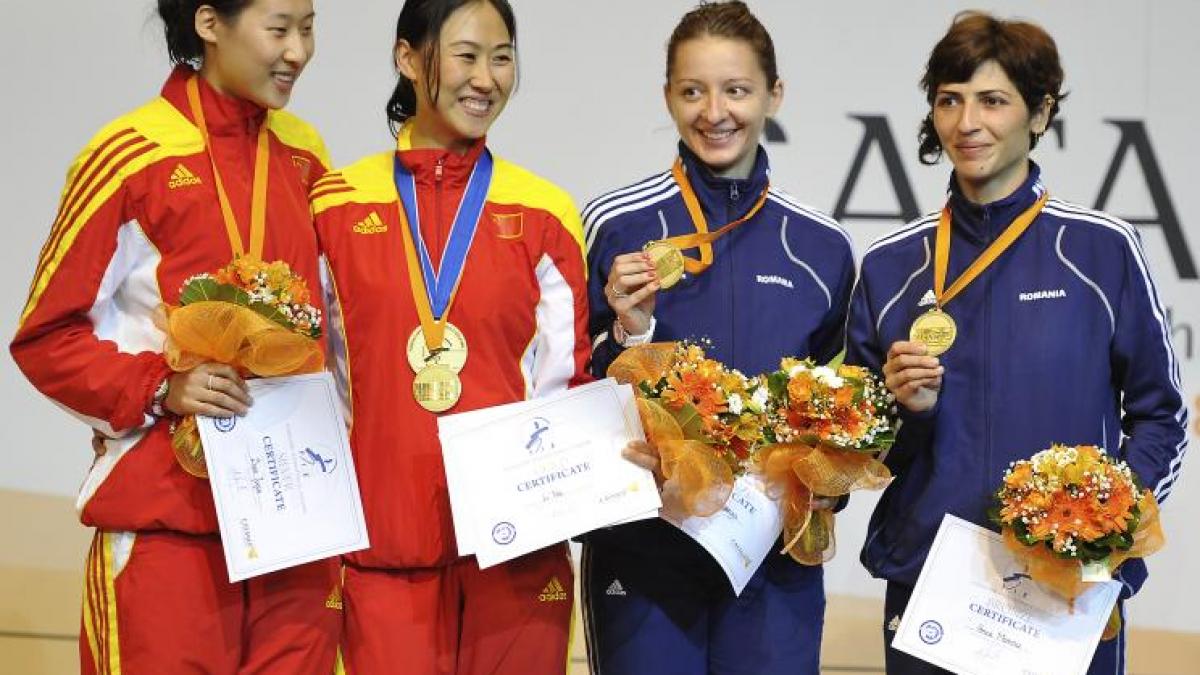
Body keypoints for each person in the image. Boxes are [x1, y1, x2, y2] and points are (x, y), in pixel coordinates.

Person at [845, 11, 1188, 674]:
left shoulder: (1101, 250)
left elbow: (1161, 415)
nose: (967, 123)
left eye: (993, 101)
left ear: (1040, 112)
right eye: (950, 100)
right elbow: (860, 454)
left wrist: (1105, 527)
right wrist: (908, 412)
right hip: (932, 584)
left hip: (1066, 589)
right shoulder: (891, 266)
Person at [9, 1, 340, 672]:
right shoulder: (129, 157)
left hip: (293, 527)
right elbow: (45, 337)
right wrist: (162, 386)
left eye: (308, 28)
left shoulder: (306, 156)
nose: (299, 51)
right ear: (210, 23)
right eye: (279, 29)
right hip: (168, 525)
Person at [309, 0, 590, 672]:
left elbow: (566, 384)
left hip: (516, 557)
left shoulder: (546, 213)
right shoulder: (335, 205)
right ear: (408, 59)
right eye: (466, 55)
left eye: (502, 58)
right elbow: (309, 378)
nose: (486, 78)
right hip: (380, 553)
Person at [580, 2, 856, 673]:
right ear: (667, 96)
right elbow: (573, 382)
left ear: (773, 95)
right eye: (692, 91)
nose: (714, 112)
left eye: (736, 90)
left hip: (771, 564)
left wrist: (831, 483)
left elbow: (842, 409)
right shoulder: (615, 225)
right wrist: (627, 332)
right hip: (644, 554)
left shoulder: (820, 246)